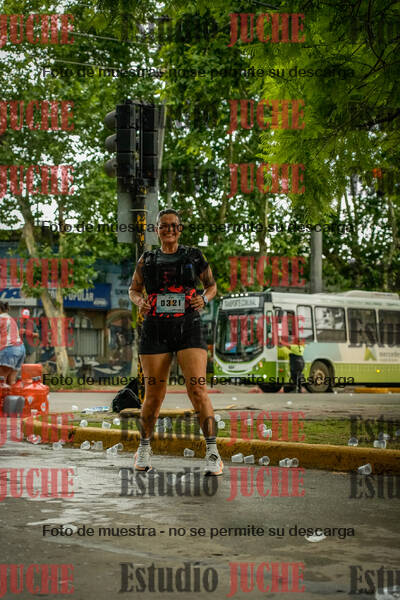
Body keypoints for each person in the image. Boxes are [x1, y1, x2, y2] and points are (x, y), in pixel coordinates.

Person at [128, 209, 223, 475]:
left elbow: (212, 286)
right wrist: (140, 301)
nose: (168, 229)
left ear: (179, 229)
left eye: (173, 225)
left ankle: (213, 452)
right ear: (156, 230)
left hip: (188, 327)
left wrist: (204, 298)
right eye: (163, 226)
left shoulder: (194, 255)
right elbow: (134, 289)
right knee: (153, 395)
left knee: (197, 389)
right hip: (155, 329)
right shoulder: (147, 259)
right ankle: (144, 448)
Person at [0, 301, 26, 385]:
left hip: (9, 350)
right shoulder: (10, 318)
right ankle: (16, 393)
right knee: (11, 381)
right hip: (20, 349)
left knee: (1, 380)